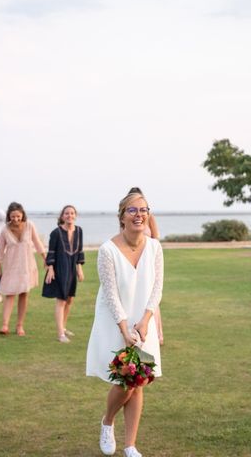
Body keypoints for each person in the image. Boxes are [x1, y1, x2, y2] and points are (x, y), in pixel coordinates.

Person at [86, 192, 164, 457]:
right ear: (122, 217)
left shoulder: (154, 247)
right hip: (115, 322)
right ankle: (107, 421)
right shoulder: (107, 250)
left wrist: (145, 321)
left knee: (138, 381)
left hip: (144, 323)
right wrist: (124, 328)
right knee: (124, 382)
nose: (139, 214)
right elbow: (110, 295)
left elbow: (157, 288)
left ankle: (130, 445)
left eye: (143, 210)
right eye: (132, 210)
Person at [0, 202, 46, 337]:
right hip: (11, 266)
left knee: (24, 294)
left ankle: (19, 326)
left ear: (22, 214)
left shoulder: (29, 225)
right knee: (9, 294)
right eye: (13, 217)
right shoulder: (5, 230)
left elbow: (37, 242)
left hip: (26, 265)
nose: (15, 219)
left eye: (18, 216)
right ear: (8, 216)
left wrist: (45, 258)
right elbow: (0, 250)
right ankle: (5, 325)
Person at [42, 205, 85, 343]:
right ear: (62, 216)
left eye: (72, 213)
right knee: (61, 300)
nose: (69, 216)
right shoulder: (56, 233)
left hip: (72, 268)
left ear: (75, 215)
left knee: (70, 299)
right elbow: (51, 252)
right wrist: (50, 268)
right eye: (66, 213)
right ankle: (60, 334)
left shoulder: (79, 231)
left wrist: (79, 268)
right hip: (60, 268)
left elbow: (79, 251)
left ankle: (64, 327)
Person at [128, 187, 164, 345]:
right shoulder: (128, 218)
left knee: (152, 296)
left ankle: (157, 333)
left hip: (149, 258)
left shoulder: (148, 217)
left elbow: (156, 236)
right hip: (133, 260)